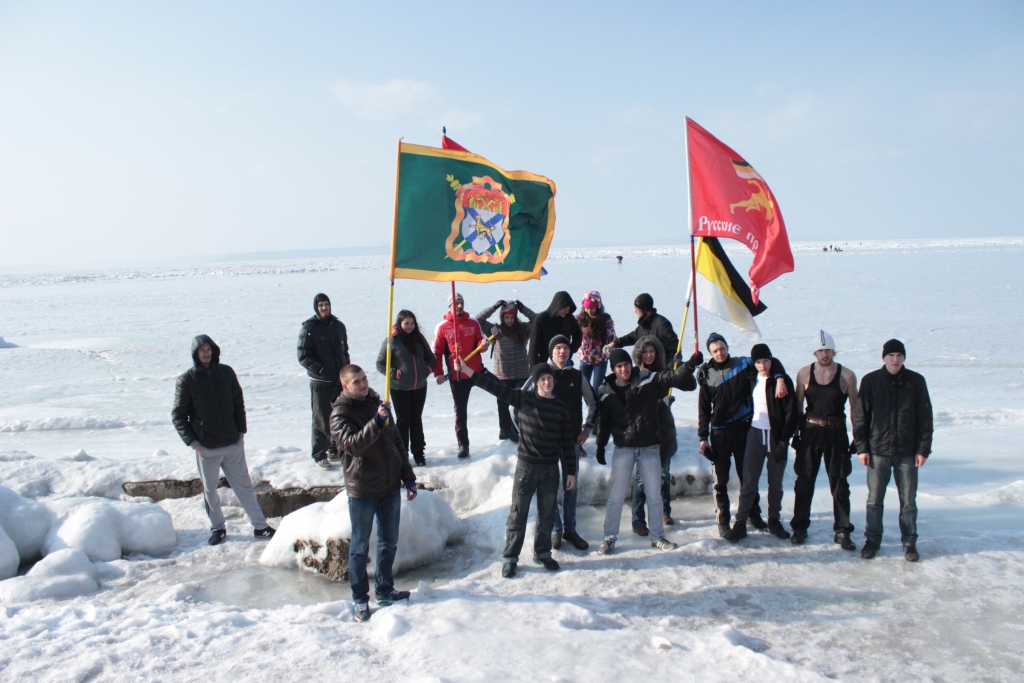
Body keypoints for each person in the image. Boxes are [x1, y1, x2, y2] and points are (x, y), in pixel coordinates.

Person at [452, 356, 577, 579]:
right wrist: (467, 371)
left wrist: (571, 472)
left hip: (550, 469)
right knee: (518, 514)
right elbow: (494, 387)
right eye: (543, 379)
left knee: (547, 514)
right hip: (527, 467)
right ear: (537, 382)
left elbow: (567, 443)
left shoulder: (561, 408)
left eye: (549, 378)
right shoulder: (523, 399)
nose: (547, 382)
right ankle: (510, 558)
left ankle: (542, 552)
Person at [330, 364, 418, 622]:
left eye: (364, 378)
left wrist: (408, 477)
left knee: (389, 542)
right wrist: (377, 421)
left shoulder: (377, 402)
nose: (363, 384)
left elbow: (396, 441)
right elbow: (353, 445)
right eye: (356, 382)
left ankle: (384, 588)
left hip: (390, 485)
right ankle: (360, 599)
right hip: (363, 488)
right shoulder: (340, 413)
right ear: (346, 386)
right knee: (359, 547)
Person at [595, 347, 702, 555]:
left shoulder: (646, 378)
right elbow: (604, 422)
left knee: (654, 495)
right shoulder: (605, 391)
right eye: (619, 366)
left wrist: (689, 365)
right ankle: (609, 538)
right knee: (616, 496)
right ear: (613, 369)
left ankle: (657, 537)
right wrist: (600, 445)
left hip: (649, 446)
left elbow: (671, 376)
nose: (624, 369)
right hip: (623, 448)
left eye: (626, 364)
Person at [172, 335, 275, 546]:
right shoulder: (187, 380)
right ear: (195, 354)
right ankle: (218, 528)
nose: (206, 353)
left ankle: (260, 526)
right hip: (206, 448)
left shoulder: (226, 373)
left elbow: (238, 402)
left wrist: (241, 433)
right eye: (202, 350)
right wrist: (194, 443)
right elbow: (178, 415)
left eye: (209, 349)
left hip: (232, 443)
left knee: (245, 487)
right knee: (210, 491)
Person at [697, 332, 788, 537]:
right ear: (710, 353)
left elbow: (770, 360)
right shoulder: (706, 374)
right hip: (719, 433)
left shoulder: (743, 364)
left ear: (728, 347)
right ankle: (723, 520)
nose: (719, 353)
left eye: (722, 348)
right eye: (715, 351)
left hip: (742, 428)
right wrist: (703, 437)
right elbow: (703, 408)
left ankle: (753, 514)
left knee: (748, 477)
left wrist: (780, 377)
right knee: (720, 480)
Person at [854, 339, 933, 562]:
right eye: (891, 356)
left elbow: (925, 417)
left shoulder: (916, 381)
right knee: (874, 500)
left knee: (908, 501)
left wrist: (923, 449)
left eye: (899, 355)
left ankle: (909, 542)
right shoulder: (870, 381)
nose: (895, 360)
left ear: (904, 357)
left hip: (907, 451)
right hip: (877, 450)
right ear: (884, 358)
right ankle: (872, 540)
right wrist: (862, 447)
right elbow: (860, 416)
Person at [521, 335, 596, 551]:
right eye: (558, 348)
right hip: (547, 443)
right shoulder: (543, 374)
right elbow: (518, 402)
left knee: (571, 487)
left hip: (571, 440)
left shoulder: (577, 375)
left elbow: (593, 402)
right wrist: (526, 433)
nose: (562, 352)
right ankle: (556, 529)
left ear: (571, 352)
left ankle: (570, 529)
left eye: (565, 348)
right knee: (549, 487)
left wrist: (588, 427)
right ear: (551, 351)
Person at [790, 330, 860, 549]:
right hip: (811, 431)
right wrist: (795, 435)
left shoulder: (846, 375)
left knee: (839, 483)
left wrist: (857, 436)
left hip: (836, 432)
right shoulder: (804, 374)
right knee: (804, 481)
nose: (824, 354)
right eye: (820, 350)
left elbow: (855, 409)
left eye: (828, 349)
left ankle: (842, 531)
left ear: (833, 350)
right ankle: (800, 527)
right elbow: (797, 406)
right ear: (815, 352)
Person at [725, 344, 798, 542]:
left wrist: (784, 440)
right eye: (758, 361)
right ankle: (740, 523)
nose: (762, 365)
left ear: (771, 360)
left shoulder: (782, 380)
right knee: (749, 481)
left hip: (775, 436)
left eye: (766, 361)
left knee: (776, 483)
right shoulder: (751, 376)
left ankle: (773, 520)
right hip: (755, 433)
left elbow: (792, 412)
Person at [628, 336, 678, 535]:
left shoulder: (665, 373)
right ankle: (638, 518)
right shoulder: (634, 376)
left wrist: (682, 367)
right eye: (645, 352)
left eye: (652, 352)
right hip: (644, 431)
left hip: (664, 429)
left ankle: (665, 510)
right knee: (641, 479)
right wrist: (660, 403)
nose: (649, 355)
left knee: (663, 474)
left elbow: (687, 382)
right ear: (639, 354)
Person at [375, 310, 436, 467]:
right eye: (406, 323)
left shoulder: (419, 338)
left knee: (416, 420)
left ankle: (419, 454)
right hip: (400, 388)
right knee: (403, 421)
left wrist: (427, 369)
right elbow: (380, 364)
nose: (409, 326)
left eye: (412, 323)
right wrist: (395, 373)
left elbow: (431, 357)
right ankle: (402, 454)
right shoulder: (392, 341)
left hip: (419, 386)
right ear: (400, 323)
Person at [297, 293, 350, 470]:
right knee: (321, 418)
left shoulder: (338, 326)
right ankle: (319, 454)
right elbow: (303, 356)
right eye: (321, 305)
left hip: (339, 380)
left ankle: (334, 448)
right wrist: (320, 369)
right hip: (320, 382)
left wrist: (347, 372)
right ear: (316, 307)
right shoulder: (309, 328)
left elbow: (345, 351)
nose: (324, 308)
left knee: (339, 415)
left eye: (326, 304)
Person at [432, 292, 488, 459]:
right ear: (450, 306)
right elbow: (437, 352)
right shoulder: (442, 326)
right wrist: (439, 374)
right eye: (456, 303)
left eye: (461, 302)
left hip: (477, 371)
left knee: (502, 391)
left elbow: (481, 342)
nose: (459, 306)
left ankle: (506, 429)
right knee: (460, 412)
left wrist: (484, 345)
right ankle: (463, 445)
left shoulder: (474, 322)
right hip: (457, 376)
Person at [476, 299, 537, 442]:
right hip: (502, 374)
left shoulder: (524, 329)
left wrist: (522, 308)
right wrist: (494, 306)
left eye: (512, 317)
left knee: (521, 403)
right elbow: (478, 319)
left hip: (522, 373)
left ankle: (521, 430)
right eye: (506, 317)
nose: (509, 320)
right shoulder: (495, 330)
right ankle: (504, 430)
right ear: (502, 317)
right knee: (503, 402)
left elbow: (537, 320)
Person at [605, 293, 679, 358]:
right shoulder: (644, 324)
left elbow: (674, 347)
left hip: (662, 368)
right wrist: (615, 343)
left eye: (637, 308)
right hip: (648, 365)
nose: (635, 311)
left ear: (645, 309)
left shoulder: (662, 324)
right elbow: (633, 336)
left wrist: (670, 367)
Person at [576, 290, 616, 394]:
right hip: (584, 358)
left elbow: (611, 337)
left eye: (592, 308)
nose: (589, 311)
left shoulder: (605, 319)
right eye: (587, 308)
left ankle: (597, 408)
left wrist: (611, 348)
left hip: (600, 359)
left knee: (597, 389)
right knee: (582, 388)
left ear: (597, 306)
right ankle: (592, 407)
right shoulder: (580, 318)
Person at [528, 291, 582, 366]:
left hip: (564, 362)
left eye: (568, 308)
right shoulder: (541, 320)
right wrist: (535, 369)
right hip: (545, 363)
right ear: (558, 306)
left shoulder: (569, 318)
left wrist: (571, 350)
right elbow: (533, 349)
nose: (567, 311)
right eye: (565, 308)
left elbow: (578, 334)